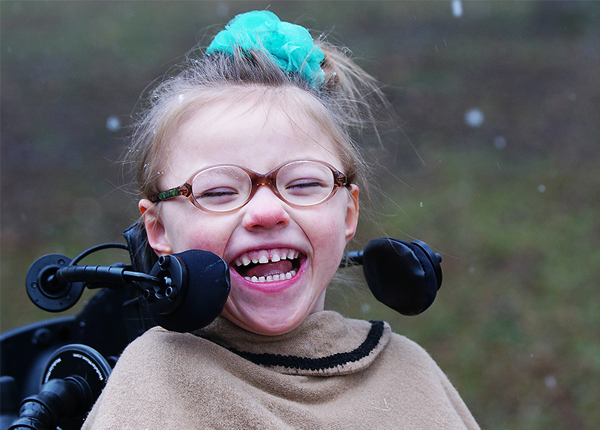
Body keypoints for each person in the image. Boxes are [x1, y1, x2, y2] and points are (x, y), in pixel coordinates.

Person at [82, 10, 480, 429]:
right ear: (158, 230)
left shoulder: (410, 376)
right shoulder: (154, 387)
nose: (267, 212)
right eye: (218, 191)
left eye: (304, 183)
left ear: (348, 212)